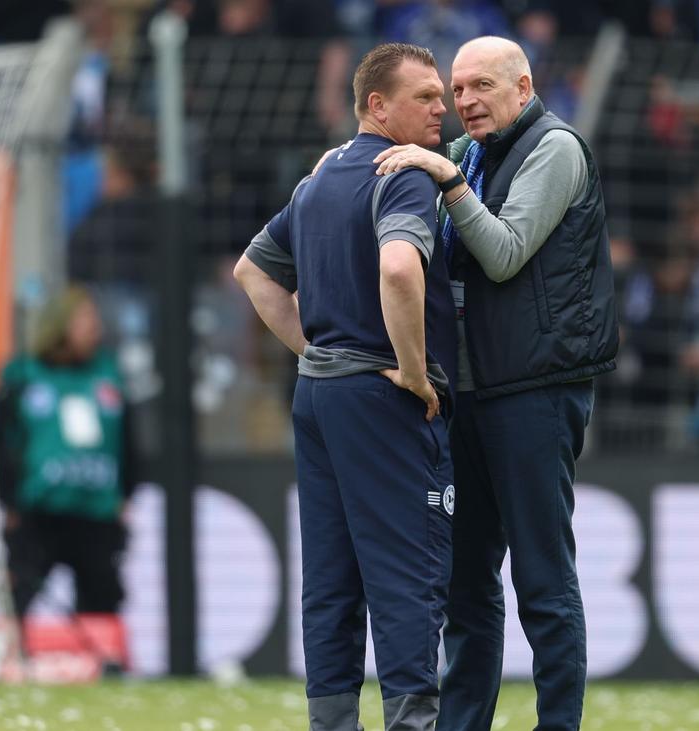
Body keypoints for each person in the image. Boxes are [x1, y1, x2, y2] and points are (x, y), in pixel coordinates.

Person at [372, 35, 618, 731]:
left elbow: (505, 254)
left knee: (542, 579)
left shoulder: (555, 148)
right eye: (457, 90)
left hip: (534, 391)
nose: (466, 101)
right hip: (469, 394)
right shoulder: (470, 154)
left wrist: (447, 182)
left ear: (524, 86)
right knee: (466, 585)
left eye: (481, 85)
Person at [232, 42, 456, 731]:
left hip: (319, 395)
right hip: (381, 396)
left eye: (442, 96)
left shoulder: (321, 176)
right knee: (407, 572)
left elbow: (253, 272)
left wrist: (317, 353)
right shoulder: (404, 173)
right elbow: (400, 269)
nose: (442, 109)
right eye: (425, 97)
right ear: (377, 106)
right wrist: (412, 368)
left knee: (330, 578)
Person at [0, 286, 135, 675]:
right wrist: (9, 501)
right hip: (38, 511)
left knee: (103, 594)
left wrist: (126, 494)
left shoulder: (109, 375)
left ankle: (106, 669)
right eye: (85, 318)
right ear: (59, 325)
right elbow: (3, 442)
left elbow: (129, 442)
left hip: (97, 512)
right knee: (21, 592)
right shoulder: (22, 376)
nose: (95, 327)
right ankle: (13, 665)